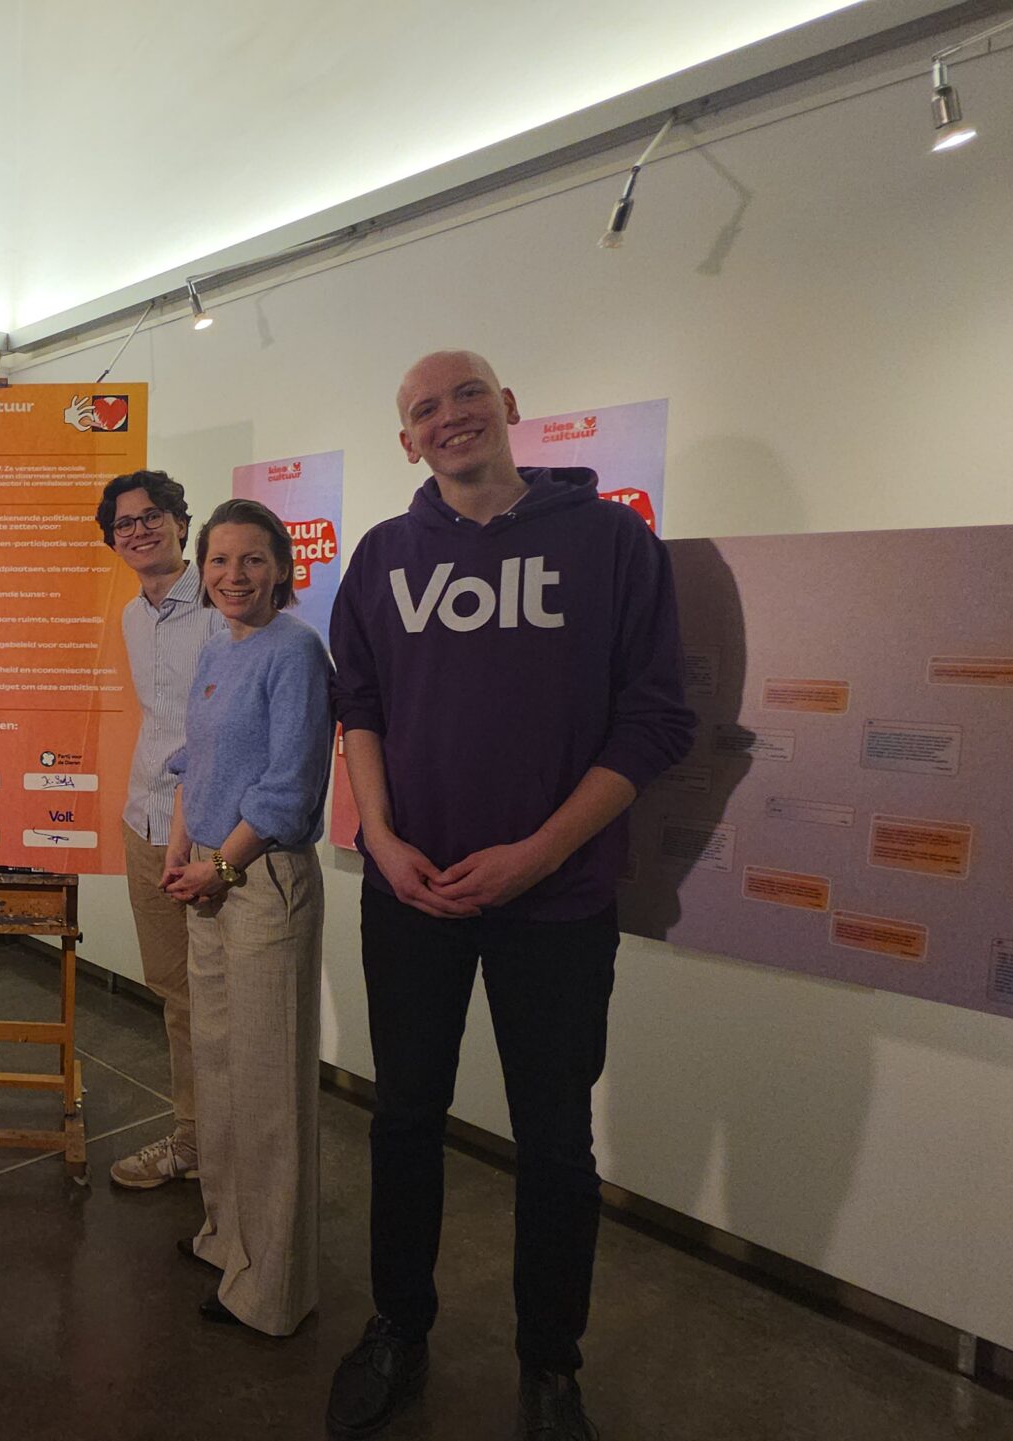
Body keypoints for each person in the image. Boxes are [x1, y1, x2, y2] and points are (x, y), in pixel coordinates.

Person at [322, 351, 693, 1441]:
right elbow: (359, 706)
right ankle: (398, 1326)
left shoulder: (612, 543)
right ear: (406, 442)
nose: (450, 417)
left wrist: (536, 854)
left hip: (558, 902)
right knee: (403, 1118)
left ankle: (549, 1367)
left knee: (556, 1145)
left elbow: (654, 722)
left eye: (468, 394)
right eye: (424, 409)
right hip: (411, 893)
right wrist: (381, 838)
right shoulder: (383, 555)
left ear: (510, 406)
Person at [161, 497, 334, 1339]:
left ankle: (272, 1287)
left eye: (252, 559)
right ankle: (228, 1238)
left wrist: (220, 865)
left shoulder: (295, 651)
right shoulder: (218, 644)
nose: (234, 575)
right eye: (220, 560)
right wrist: (181, 847)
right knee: (222, 1070)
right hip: (208, 872)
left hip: (260, 879)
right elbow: (197, 757)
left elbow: (288, 786)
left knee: (270, 1089)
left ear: (282, 568)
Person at [99, 470, 222, 1190]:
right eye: (125, 523)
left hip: (208, 828)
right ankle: (196, 1138)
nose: (139, 530)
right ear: (113, 540)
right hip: (144, 819)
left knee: (220, 993)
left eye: (153, 516)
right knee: (176, 991)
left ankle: (227, 1143)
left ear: (181, 521)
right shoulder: (132, 616)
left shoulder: (218, 604)